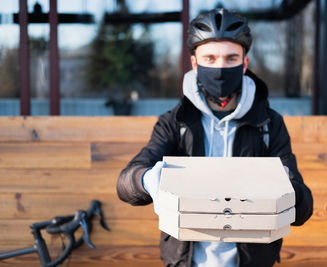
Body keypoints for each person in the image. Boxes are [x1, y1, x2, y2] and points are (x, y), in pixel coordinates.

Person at [117, 8, 313, 267]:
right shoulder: (175, 122)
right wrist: (146, 179)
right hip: (186, 261)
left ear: (244, 63)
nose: (220, 68)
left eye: (230, 58)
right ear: (194, 63)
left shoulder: (269, 124)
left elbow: (302, 209)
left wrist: (286, 190)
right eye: (210, 58)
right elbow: (126, 183)